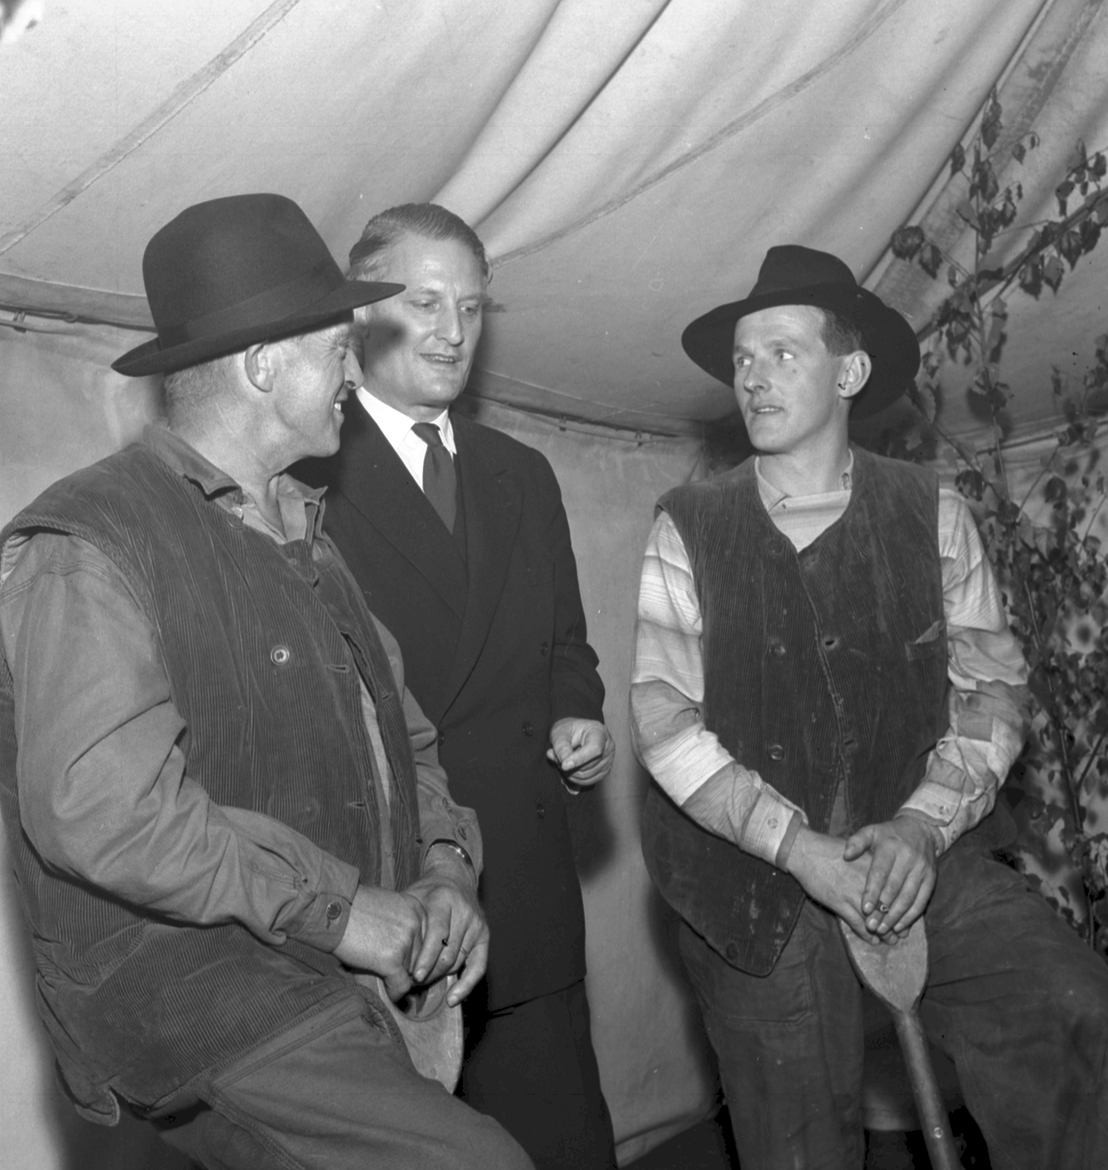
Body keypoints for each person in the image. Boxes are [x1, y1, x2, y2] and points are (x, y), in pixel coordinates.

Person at [0, 194, 532, 1170]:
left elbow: (407, 743)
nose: (354, 372)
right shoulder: (88, 542)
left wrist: (446, 867)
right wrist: (346, 910)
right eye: (337, 350)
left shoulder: (307, 536)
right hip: (204, 1000)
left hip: (325, 987)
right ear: (261, 365)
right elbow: (106, 815)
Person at [631, 244, 1108, 1169]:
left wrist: (922, 831)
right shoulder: (687, 524)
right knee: (800, 1136)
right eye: (742, 359)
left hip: (918, 847)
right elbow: (663, 722)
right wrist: (802, 851)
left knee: (1077, 1016)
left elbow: (991, 692)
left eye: (781, 353)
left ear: (848, 373)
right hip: (757, 879)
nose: (752, 378)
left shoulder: (936, 513)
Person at [299, 203, 616, 1169]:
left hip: (526, 887)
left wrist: (577, 713)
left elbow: (566, 644)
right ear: (362, 314)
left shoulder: (524, 473)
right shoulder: (307, 473)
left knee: (563, 1142)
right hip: (397, 893)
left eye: (471, 308)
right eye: (425, 302)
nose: (452, 332)